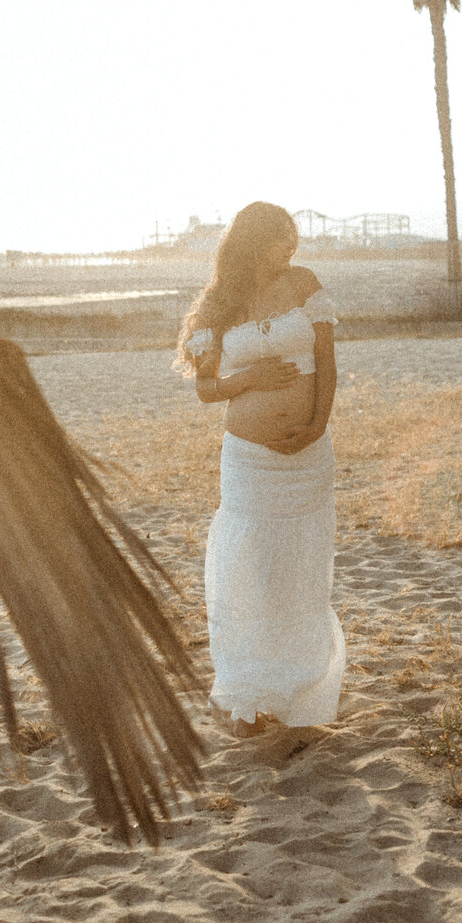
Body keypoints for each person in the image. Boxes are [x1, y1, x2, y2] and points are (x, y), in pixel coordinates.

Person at [176, 202, 344, 735]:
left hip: (308, 457)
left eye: (293, 236)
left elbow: (329, 362)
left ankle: (300, 686)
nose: (290, 247)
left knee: (301, 563)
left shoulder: (304, 284)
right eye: (280, 237)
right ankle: (250, 689)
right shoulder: (218, 305)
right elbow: (206, 389)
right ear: (253, 241)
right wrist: (250, 379)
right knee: (251, 565)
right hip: (249, 462)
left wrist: (317, 423)